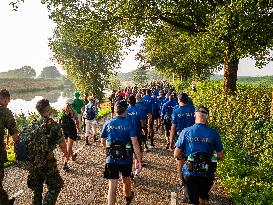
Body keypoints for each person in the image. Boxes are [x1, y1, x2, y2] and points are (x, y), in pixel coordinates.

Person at [174, 106, 224, 205]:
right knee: (203, 198)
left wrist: (184, 158)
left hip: (190, 172)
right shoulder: (214, 133)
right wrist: (210, 158)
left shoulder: (186, 131)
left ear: (195, 116)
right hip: (207, 173)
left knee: (193, 201)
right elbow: (220, 156)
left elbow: (176, 154)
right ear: (207, 117)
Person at [101, 101, 142, 205]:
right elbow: (135, 143)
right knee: (126, 178)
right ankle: (128, 196)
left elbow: (103, 141)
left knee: (112, 186)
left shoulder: (108, 123)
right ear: (126, 110)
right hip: (126, 158)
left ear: (115, 110)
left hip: (111, 158)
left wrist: (110, 150)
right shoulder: (130, 124)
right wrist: (138, 160)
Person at [28, 99, 68, 205]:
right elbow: (63, 145)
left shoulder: (33, 124)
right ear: (48, 109)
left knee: (37, 189)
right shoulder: (53, 125)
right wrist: (66, 153)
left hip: (33, 161)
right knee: (55, 185)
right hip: (47, 162)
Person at [169, 93, 195, 184]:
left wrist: (171, 141)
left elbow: (173, 127)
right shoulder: (193, 109)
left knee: (180, 161)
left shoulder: (176, 111)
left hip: (179, 138)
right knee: (191, 159)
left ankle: (181, 180)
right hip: (191, 138)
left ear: (179, 100)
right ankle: (191, 178)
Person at [0, 89, 19, 205]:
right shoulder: (4, 112)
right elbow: (15, 135)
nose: (8, 103)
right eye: (8, 101)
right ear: (5, 99)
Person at [59, 98, 80, 171]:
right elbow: (77, 121)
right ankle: (65, 164)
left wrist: (60, 128)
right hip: (71, 130)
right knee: (69, 147)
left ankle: (73, 155)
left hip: (64, 130)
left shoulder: (62, 110)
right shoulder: (74, 111)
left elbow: (59, 120)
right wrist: (79, 129)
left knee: (69, 145)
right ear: (72, 104)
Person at [125, 95, 143, 176]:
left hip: (127, 135)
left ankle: (129, 170)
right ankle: (137, 170)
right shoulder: (139, 109)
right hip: (137, 133)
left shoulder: (125, 110)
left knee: (128, 153)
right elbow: (142, 122)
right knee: (137, 151)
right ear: (135, 101)